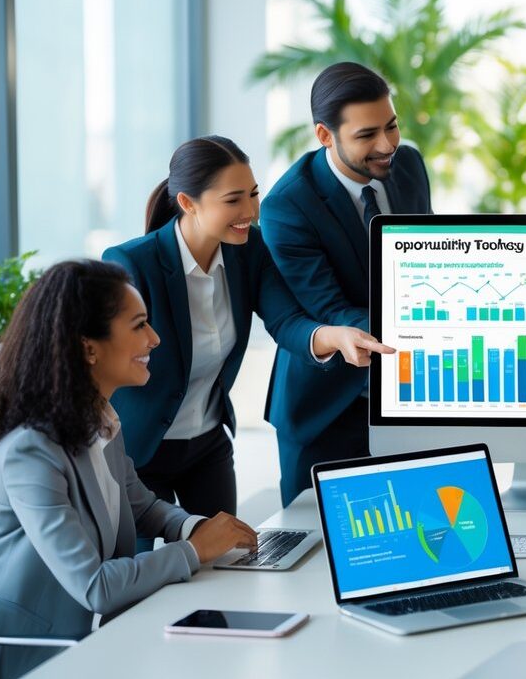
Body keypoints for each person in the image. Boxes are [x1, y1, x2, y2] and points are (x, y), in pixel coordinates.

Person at [0, 261, 259, 679]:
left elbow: (142, 506)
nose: (154, 339)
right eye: (139, 325)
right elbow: (94, 586)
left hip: (92, 642)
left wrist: (198, 527)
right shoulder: (30, 452)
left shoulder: (100, 421)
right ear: (89, 349)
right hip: (21, 661)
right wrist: (193, 551)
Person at [103, 135, 393, 532]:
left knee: (228, 556)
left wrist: (337, 337)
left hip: (206, 448)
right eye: (233, 200)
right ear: (188, 202)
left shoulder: (247, 249)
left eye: (254, 194)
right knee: (146, 566)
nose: (251, 211)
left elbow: (287, 321)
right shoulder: (133, 263)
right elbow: (106, 363)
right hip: (139, 451)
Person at [260, 62, 433, 506]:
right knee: (323, 540)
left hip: (405, 399)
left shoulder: (409, 165)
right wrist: (429, 338)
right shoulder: (288, 205)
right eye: (367, 134)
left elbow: (426, 262)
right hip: (327, 408)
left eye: (391, 126)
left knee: (419, 527)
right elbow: (330, 308)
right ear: (325, 135)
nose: (387, 145)